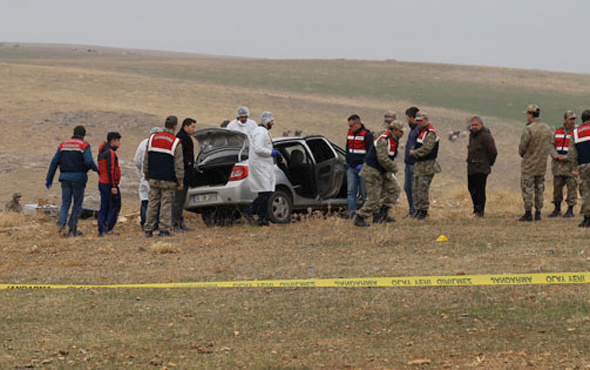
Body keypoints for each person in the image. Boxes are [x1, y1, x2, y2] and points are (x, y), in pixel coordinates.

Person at [45, 125, 99, 237]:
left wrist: (49, 179)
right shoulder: (84, 145)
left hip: (65, 178)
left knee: (65, 203)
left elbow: (54, 162)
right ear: (83, 135)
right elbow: (89, 161)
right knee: (77, 204)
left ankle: (60, 227)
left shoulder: (63, 145)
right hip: (79, 179)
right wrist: (96, 169)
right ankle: (72, 229)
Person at [354, 118, 404, 227]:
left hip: (383, 170)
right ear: (394, 130)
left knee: (394, 190)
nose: (402, 133)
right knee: (374, 198)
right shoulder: (384, 140)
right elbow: (382, 158)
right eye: (400, 130)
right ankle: (360, 217)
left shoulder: (394, 139)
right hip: (373, 171)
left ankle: (382, 214)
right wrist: (394, 167)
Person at [143, 116, 185, 237]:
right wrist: (180, 181)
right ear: (175, 126)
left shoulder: (152, 138)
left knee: (152, 203)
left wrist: (146, 174)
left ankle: (149, 229)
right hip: (169, 179)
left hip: (154, 177)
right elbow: (178, 164)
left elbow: (146, 159)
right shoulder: (176, 142)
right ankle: (164, 229)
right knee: (166, 204)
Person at [518, 105, 553, 222]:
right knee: (539, 189)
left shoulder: (529, 129)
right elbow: (550, 145)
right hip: (541, 165)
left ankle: (528, 213)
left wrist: (524, 154)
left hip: (529, 165)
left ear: (530, 114)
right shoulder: (547, 129)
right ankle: (538, 213)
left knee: (528, 188)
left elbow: (522, 147)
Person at [245, 111, 279, 226]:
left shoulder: (264, 132)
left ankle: (262, 219)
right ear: (266, 121)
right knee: (267, 192)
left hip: (264, 165)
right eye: (272, 121)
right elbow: (258, 148)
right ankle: (249, 210)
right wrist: (271, 152)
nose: (273, 123)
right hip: (260, 165)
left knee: (264, 192)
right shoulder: (259, 132)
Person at [409, 112, 441, 220]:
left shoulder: (430, 132)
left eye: (420, 120)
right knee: (415, 188)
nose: (418, 122)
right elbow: (417, 144)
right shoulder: (421, 132)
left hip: (427, 165)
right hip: (419, 164)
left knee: (422, 188)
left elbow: (427, 148)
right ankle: (418, 210)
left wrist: (414, 153)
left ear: (426, 120)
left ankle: (423, 211)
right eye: (417, 120)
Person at [548, 110, 578, 218]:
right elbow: (551, 146)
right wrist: (555, 155)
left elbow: (578, 149)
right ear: (565, 120)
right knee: (557, 188)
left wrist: (567, 157)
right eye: (570, 119)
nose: (573, 121)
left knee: (572, 188)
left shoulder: (577, 132)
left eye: (574, 119)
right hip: (558, 166)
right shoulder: (557, 132)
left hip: (571, 165)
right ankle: (557, 208)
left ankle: (570, 209)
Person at [466, 116, 498, 217]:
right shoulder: (472, 135)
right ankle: (476, 208)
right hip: (472, 167)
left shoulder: (485, 136)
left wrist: (489, 163)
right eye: (472, 125)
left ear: (481, 125)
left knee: (480, 190)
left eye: (476, 125)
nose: (474, 127)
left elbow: (493, 151)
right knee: (471, 188)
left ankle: (480, 210)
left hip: (481, 167)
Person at [134, 127, 163, 230]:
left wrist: (142, 171)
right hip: (158, 177)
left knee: (145, 201)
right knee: (157, 202)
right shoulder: (161, 144)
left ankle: (144, 224)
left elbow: (137, 160)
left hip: (145, 178)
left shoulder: (143, 143)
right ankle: (155, 224)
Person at [345, 114, 374, 218]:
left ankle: (366, 214)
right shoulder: (350, 133)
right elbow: (347, 148)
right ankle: (350, 213)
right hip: (351, 168)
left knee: (364, 193)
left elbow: (370, 152)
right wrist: (347, 161)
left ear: (358, 124)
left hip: (363, 169)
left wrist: (363, 164)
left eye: (351, 125)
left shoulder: (367, 134)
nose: (350, 128)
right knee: (351, 192)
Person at [172, 118, 197, 231]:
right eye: (192, 127)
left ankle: (180, 223)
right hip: (181, 175)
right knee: (177, 201)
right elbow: (180, 158)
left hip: (186, 175)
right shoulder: (181, 138)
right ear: (185, 126)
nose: (193, 129)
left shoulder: (185, 138)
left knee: (181, 201)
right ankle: (175, 224)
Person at [97, 132, 122, 237]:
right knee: (114, 206)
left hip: (103, 182)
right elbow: (111, 169)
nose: (119, 143)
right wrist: (113, 186)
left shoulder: (102, 151)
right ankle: (107, 228)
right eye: (118, 141)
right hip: (109, 184)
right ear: (113, 141)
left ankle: (102, 229)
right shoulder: (110, 153)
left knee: (104, 206)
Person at [568, 109, 590, 227]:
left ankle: (587, 218)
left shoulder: (576, 132)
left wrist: (574, 167)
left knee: (586, 191)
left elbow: (572, 153)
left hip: (584, 165)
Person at [403, 106, 420, 218]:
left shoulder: (418, 130)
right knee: (408, 187)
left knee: (414, 188)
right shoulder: (413, 130)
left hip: (414, 164)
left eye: (408, 118)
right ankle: (412, 210)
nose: (407, 120)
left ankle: (417, 211)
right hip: (408, 163)